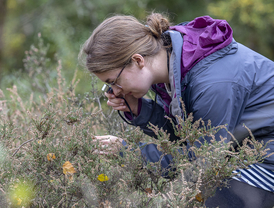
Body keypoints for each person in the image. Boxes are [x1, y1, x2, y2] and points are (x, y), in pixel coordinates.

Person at [79, 13, 274, 207]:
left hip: (265, 160)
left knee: (214, 198)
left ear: (138, 60)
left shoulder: (212, 83)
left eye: (113, 82)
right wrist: (140, 109)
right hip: (244, 152)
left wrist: (130, 153)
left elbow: (202, 160)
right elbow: (187, 136)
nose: (115, 91)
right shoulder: (175, 63)